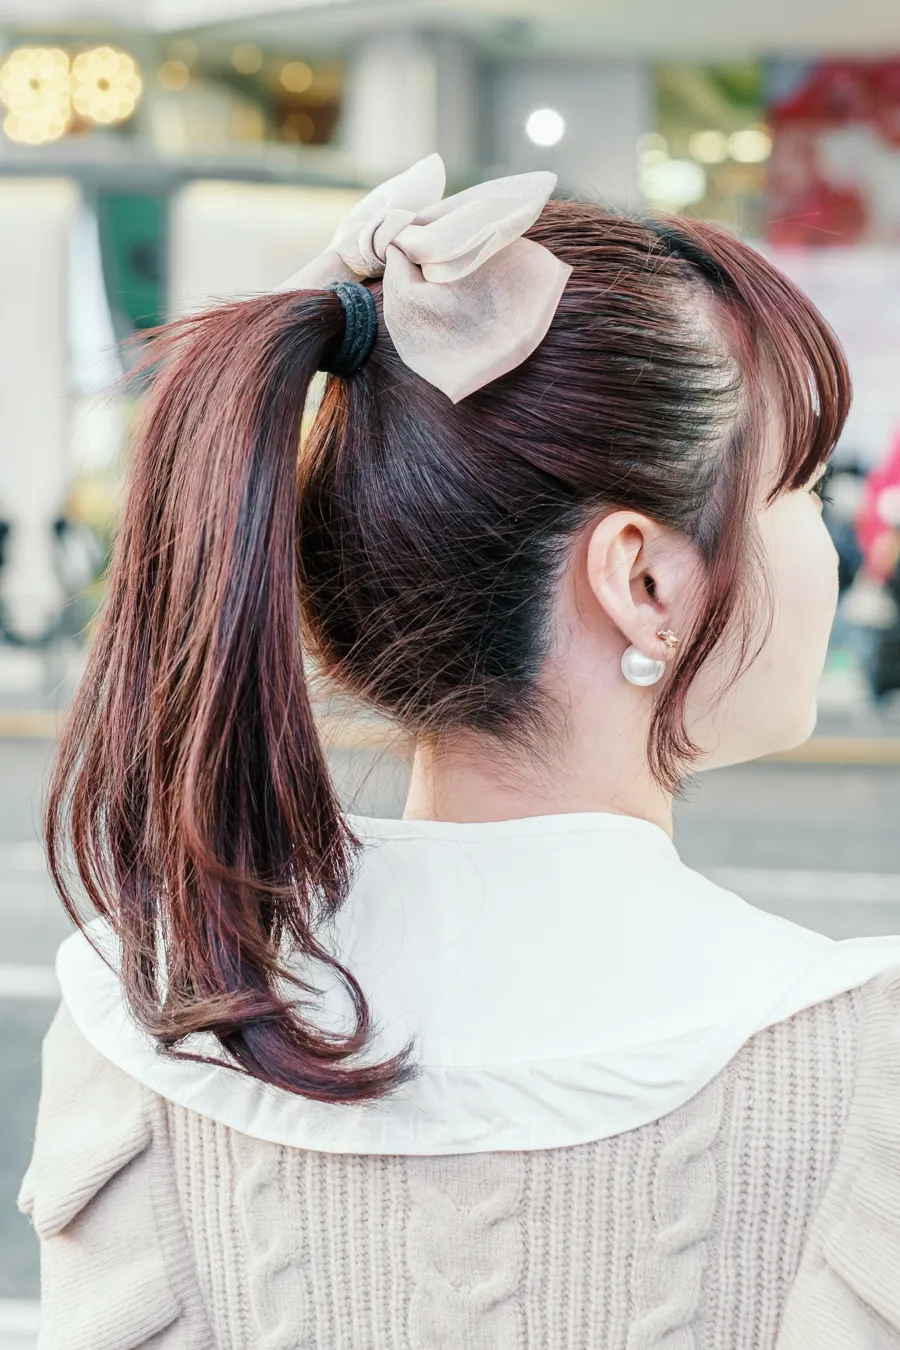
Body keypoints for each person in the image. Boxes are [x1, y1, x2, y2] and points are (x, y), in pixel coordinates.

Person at [18, 154, 900, 1350]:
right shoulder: (862, 1065)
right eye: (799, 489)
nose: (827, 543)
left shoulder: (139, 1031)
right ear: (643, 581)